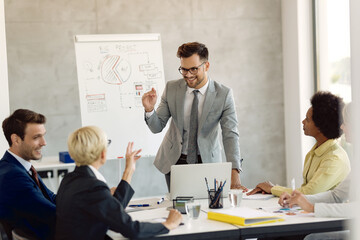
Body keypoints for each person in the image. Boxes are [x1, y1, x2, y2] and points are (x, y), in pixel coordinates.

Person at [142, 42, 246, 191]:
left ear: (206, 65)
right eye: (184, 70)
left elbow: (230, 134)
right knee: (180, 209)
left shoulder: (223, 95)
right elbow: (157, 127)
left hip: (207, 163)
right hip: (175, 162)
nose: (188, 75)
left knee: (209, 208)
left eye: (193, 69)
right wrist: (149, 110)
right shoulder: (172, 88)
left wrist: (234, 171)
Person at [55, 126, 182, 240]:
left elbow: (113, 212)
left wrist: (129, 171)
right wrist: (167, 224)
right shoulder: (93, 187)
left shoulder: (69, 180)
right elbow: (131, 229)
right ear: (103, 154)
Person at [247, 91, 350, 197]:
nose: (303, 122)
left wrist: (273, 189)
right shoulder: (314, 152)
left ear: (320, 126)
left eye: (308, 119)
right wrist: (273, 190)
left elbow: (309, 193)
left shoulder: (334, 158)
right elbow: (305, 191)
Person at [278, 103, 354, 240]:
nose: (342, 127)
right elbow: (337, 196)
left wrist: (312, 207)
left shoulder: (335, 157)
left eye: (346, 123)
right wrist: (298, 199)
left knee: (311, 238)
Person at [0, 109, 56, 240]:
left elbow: (51, 198)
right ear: (16, 139)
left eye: (43, 135)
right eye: (36, 137)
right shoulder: (12, 175)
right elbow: (52, 214)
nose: (44, 142)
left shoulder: (18, 166)